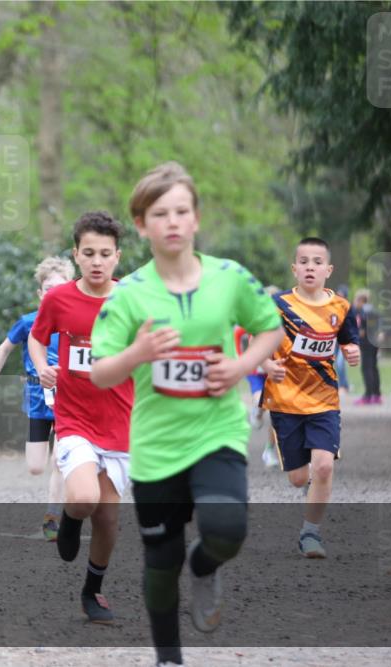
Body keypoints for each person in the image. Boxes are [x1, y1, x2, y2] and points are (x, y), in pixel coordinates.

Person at [89, 162, 283, 667]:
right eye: (159, 213)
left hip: (216, 430)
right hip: (155, 445)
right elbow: (101, 372)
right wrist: (139, 353)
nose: (172, 222)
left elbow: (270, 329)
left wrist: (240, 365)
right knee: (160, 560)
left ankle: (205, 566)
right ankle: (168, 659)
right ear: (140, 224)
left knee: (226, 530)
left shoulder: (229, 277)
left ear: (196, 218)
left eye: (181, 211)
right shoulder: (129, 293)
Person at [28, 212, 134, 624]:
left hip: (120, 423)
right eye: (88, 253)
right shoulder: (59, 300)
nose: (96, 261)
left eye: (104, 254)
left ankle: (93, 591)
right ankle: (70, 518)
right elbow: (38, 339)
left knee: (108, 519)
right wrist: (42, 367)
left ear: (117, 257)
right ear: (76, 254)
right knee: (85, 499)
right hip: (74, 419)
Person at [260, 237, 360, 560]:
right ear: (294, 268)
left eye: (317, 262)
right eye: (304, 262)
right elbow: (257, 339)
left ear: (328, 270)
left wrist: (352, 350)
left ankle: (310, 534)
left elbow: (348, 339)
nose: (310, 267)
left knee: (324, 466)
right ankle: (303, 476)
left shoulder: (341, 307)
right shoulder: (278, 305)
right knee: (298, 478)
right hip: (285, 400)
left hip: (324, 400)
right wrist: (265, 363)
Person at [0, 256, 75, 540]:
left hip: (69, 398)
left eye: (60, 287)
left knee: (59, 462)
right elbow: (4, 349)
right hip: (38, 399)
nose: (53, 292)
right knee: (35, 466)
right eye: (48, 288)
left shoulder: (75, 322)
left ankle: (53, 516)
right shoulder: (28, 322)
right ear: (40, 293)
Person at [234, 284, 281, 468]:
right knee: (261, 400)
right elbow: (238, 334)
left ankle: (270, 450)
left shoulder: (285, 321)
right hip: (256, 371)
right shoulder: (255, 319)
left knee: (277, 411)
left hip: (275, 371)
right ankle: (257, 410)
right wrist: (240, 357)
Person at [352, 289, 381, 405]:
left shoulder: (362, 311)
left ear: (361, 300)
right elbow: (379, 321)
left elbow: (362, 326)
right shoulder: (373, 310)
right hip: (374, 342)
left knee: (366, 368)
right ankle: (377, 395)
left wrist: (361, 330)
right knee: (374, 367)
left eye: (356, 299)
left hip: (367, 343)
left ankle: (368, 395)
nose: (354, 302)